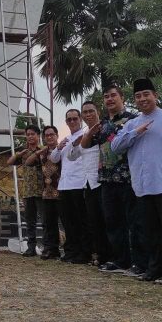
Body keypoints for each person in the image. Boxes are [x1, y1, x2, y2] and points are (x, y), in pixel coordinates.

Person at [111, 78, 162, 285]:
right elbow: (115, 147)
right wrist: (135, 133)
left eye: (146, 94)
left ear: (155, 95)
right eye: (138, 96)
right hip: (143, 187)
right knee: (149, 232)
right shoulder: (131, 124)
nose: (142, 99)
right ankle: (154, 269)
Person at [80, 85, 146, 276]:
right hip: (106, 179)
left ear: (122, 97)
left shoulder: (134, 120)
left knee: (135, 222)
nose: (109, 99)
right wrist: (90, 133)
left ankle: (140, 263)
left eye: (113, 95)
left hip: (128, 178)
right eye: (106, 96)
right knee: (113, 223)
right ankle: (120, 261)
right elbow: (85, 145)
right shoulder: (102, 124)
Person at [69, 100, 108, 266]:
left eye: (91, 111)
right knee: (94, 222)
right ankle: (101, 255)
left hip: (104, 181)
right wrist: (75, 143)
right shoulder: (84, 134)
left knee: (108, 220)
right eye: (85, 112)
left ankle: (113, 256)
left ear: (98, 111)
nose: (88, 114)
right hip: (88, 183)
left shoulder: (106, 128)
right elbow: (72, 156)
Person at [49, 109, 89, 264]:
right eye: (69, 119)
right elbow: (53, 159)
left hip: (79, 183)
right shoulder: (66, 139)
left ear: (80, 119)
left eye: (75, 119)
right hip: (64, 185)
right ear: (66, 122)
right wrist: (58, 147)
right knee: (68, 221)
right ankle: (71, 251)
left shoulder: (84, 135)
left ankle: (84, 252)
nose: (72, 122)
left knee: (80, 221)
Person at [6, 124, 43, 257]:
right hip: (27, 191)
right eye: (28, 135)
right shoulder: (24, 152)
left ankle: (49, 247)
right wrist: (18, 154)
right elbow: (9, 162)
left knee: (45, 220)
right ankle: (31, 248)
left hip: (42, 190)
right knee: (30, 222)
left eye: (33, 134)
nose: (30, 137)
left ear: (38, 135)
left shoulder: (43, 150)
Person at [25, 125, 61, 260]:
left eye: (52, 135)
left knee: (66, 222)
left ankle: (71, 250)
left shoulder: (62, 149)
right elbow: (28, 162)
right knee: (49, 223)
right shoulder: (42, 153)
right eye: (47, 135)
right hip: (47, 192)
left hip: (62, 191)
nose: (49, 137)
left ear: (57, 135)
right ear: (44, 138)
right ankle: (51, 250)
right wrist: (38, 152)